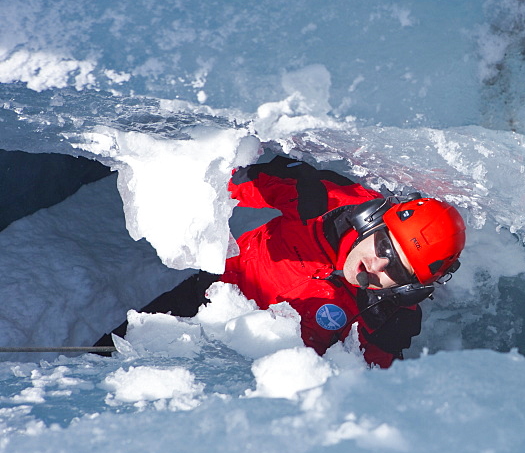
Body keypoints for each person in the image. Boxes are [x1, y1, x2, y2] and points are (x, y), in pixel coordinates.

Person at [97, 155, 466, 368]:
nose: (379, 266)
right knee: (96, 367)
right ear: (373, 221)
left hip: (255, 372)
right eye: (385, 247)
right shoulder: (328, 203)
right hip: (206, 300)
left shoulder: (386, 320)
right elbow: (226, 174)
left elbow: (363, 389)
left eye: (398, 271)